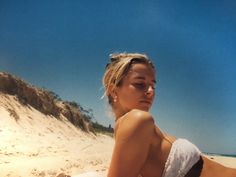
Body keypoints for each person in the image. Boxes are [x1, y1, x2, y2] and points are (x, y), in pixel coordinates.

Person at [102, 53, 236, 177]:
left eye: (152, 86)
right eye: (140, 84)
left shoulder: (129, 127)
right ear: (113, 91)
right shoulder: (138, 119)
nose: (150, 91)